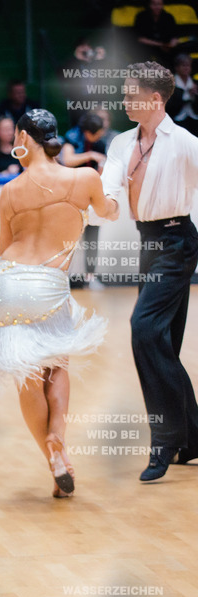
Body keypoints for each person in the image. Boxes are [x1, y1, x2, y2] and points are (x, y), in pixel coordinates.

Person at [0, 109, 116, 498]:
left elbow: (2, 245)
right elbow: (106, 212)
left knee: (28, 378)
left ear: (23, 137)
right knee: (57, 364)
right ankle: (58, 439)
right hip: (49, 283)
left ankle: (55, 465)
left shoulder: (10, 189)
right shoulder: (84, 178)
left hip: (7, 282)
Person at [101, 61, 198, 481]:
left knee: (143, 330)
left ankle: (165, 440)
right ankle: (191, 438)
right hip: (148, 244)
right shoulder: (122, 143)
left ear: (155, 99)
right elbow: (108, 192)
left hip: (177, 243)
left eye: (130, 92)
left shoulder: (186, 143)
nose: (124, 99)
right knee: (163, 344)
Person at [61, 112, 108, 290]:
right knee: (68, 239)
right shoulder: (71, 137)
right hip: (71, 197)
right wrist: (89, 155)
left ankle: (90, 276)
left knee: (92, 237)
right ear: (88, 132)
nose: (101, 136)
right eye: (97, 133)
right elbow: (67, 160)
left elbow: (102, 169)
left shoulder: (101, 143)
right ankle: (63, 277)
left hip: (91, 197)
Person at [133, 0, 179, 66]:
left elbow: (175, 36)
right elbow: (140, 39)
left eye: (159, 4)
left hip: (165, 48)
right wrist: (160, 45)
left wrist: (173, 43)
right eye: (154, 4)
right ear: (149, 5)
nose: (157, 7)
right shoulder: (141, 17)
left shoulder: (168, 17)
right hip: (147, 48)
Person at [166, 53, 198, 137]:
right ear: (177, 68)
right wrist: (187, 95)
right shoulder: (170, 83)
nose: (186, 68)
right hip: (176, 118)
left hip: (192, 116)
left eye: (188, 65)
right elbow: (169, 106)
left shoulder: (194, 82)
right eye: (183, 65)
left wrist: (195, 95)